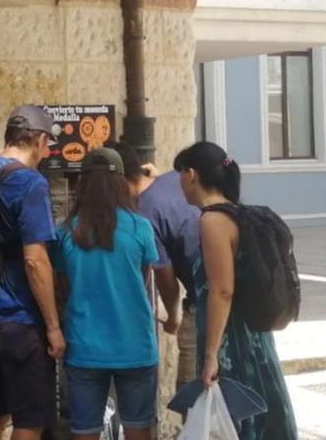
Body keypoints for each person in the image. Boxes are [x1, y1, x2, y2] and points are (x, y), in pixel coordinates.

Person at [174, 142, 297, 439]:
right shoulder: (241, 214)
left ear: (191, 175)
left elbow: (221, 290)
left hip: (232, 343)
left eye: (180, 174)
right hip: (255, 336)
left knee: (239, 423)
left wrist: (211, 355)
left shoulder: (212, 220)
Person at [0, 105, 65, 440]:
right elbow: (35, 260)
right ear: (38, 139)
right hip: (21, 319)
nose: (49, 151)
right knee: (30, 418)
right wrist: (53, 326)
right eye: (48, 144)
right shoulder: (30, 183)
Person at [51, 149, 159, 440]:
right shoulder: (140, 227)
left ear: (81, 184)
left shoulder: (66, 233)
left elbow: (63, 285)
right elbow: (144, 274)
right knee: (139, 428)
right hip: (135, 344)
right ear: (121, 182)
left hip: (85, 347)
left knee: (85, 431)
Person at [110, 141, 202, 390]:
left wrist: (172, 317)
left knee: (190, 386)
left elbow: (165, 277)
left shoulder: (143, 213)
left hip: (203, 299)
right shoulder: (174, 178)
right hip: (229, 288)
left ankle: (195, 428)